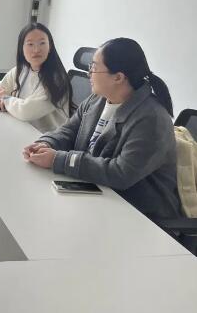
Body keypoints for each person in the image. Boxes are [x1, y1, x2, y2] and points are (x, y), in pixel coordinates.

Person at [23, 37, 181, 220]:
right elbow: (69, 130)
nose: (89, 73)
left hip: (138, 213)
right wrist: (45, 143)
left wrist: (58, 159)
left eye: (94, 67)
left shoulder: (151, 119)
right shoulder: (97, 99)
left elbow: (121, 173)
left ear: (118, 77)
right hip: (96, 192)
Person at [0, 22, 72, 132]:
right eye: (30, 44)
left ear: (50, 47)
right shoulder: (21, 70)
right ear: (22, 48)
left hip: (47, 137)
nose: (36, 50)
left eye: (42, 43)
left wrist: (5, 99)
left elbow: (26, 111)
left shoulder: (57, 80)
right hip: (21, 129)